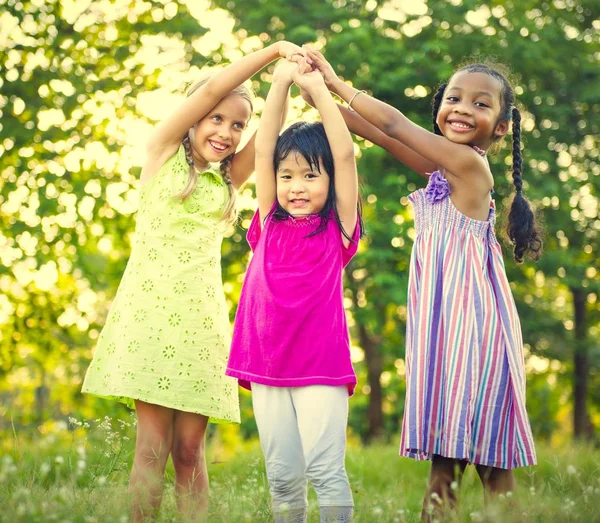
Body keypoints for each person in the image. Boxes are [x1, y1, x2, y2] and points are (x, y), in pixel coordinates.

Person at [306, 48, 541, 520]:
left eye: (480, 104)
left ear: (500, 127)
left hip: (472, 329)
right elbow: (375, 132)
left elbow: (393, 125)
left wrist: (334, 83)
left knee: (491, 464)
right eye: (454, 98)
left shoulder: (470, 167)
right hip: (445, 331)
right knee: (445, 459)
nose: (462, 109)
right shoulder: (441, 169)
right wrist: (319, 99)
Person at [81, 41, 305, 521]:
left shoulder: (227, 180)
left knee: (189, 452)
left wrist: (282, 81)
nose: (226, 131)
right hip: (151, 321)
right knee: (151, 451)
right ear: (196, 118)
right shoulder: (163, 155)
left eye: (237, 123)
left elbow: (268, 141)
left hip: (202, 327)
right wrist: (271, 52)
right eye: (217, 119)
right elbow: (216, 89)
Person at [226, 57, 362, 523]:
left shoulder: (337, 230)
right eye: (288, 176)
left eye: (310, 175)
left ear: (329, 181)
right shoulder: (268, 221)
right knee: (282, 477)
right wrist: (280, 82)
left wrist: (317, 88)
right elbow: (264, 148)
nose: (296, 186)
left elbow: (343, 154)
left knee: (325, 471)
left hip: (319, 364)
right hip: (265, 360)